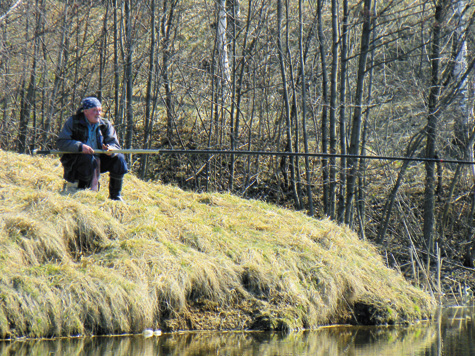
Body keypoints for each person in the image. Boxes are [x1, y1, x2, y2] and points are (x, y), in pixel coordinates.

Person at [57, 97, 128, 201]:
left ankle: (115, 196)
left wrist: (110, 150)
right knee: (87, 159)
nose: (98, 113)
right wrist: (80, 147)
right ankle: (82, 190)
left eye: (99, 110)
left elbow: (114, 144)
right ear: (85, 111)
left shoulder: (105, 124)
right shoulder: (73, 122)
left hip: (100, 160)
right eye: (94, 110)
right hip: (76, 161)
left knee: (119, 159)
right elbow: (62, 142)